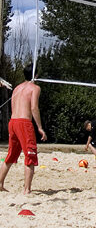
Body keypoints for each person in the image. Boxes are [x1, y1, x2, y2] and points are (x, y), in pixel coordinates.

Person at [0, 65, 46, 194]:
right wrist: (40, 127)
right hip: (24, 122)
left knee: (11, 154)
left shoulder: (17, 88)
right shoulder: (35, 88)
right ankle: (27, 189)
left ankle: (0, 183)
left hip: (13, 122)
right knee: (30, 154)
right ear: (35, 75)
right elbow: (33, 108)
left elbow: (13, 106)